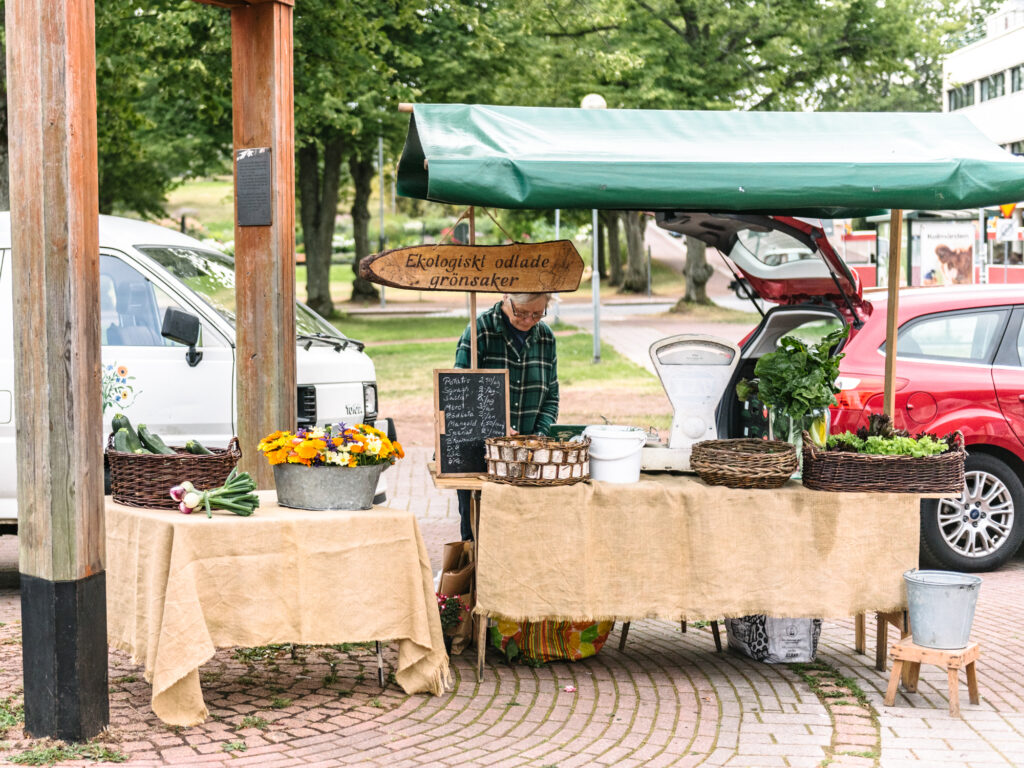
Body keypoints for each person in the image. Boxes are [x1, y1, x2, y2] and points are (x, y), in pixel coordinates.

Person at [454, 292, 559, 540]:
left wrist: (537, 436)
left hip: (527, 459)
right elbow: (459, 393)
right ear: (506, 298)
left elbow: (551, 396)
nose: (528, 320)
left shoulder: (545, 337)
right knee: (479, 535)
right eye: (521, 312)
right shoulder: (479, 330)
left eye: (537, 313)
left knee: (521, 536)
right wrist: (495, 428)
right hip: (481, 457)